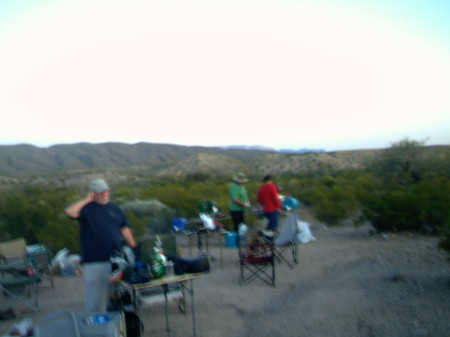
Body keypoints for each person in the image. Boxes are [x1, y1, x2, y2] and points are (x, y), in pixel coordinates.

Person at [65, 178, 136, 313]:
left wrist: (133, 246)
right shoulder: (86, 209)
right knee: (96, 300)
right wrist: (87, 200)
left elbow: (124, 228)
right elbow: (70, 212)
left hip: (116, 260)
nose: (104, 194)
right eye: (100, 192)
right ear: (93, 194)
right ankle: (97, 328)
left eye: (105, 191)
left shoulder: (115, 208)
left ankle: (115, 328)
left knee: (115, 297)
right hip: (95, 261)